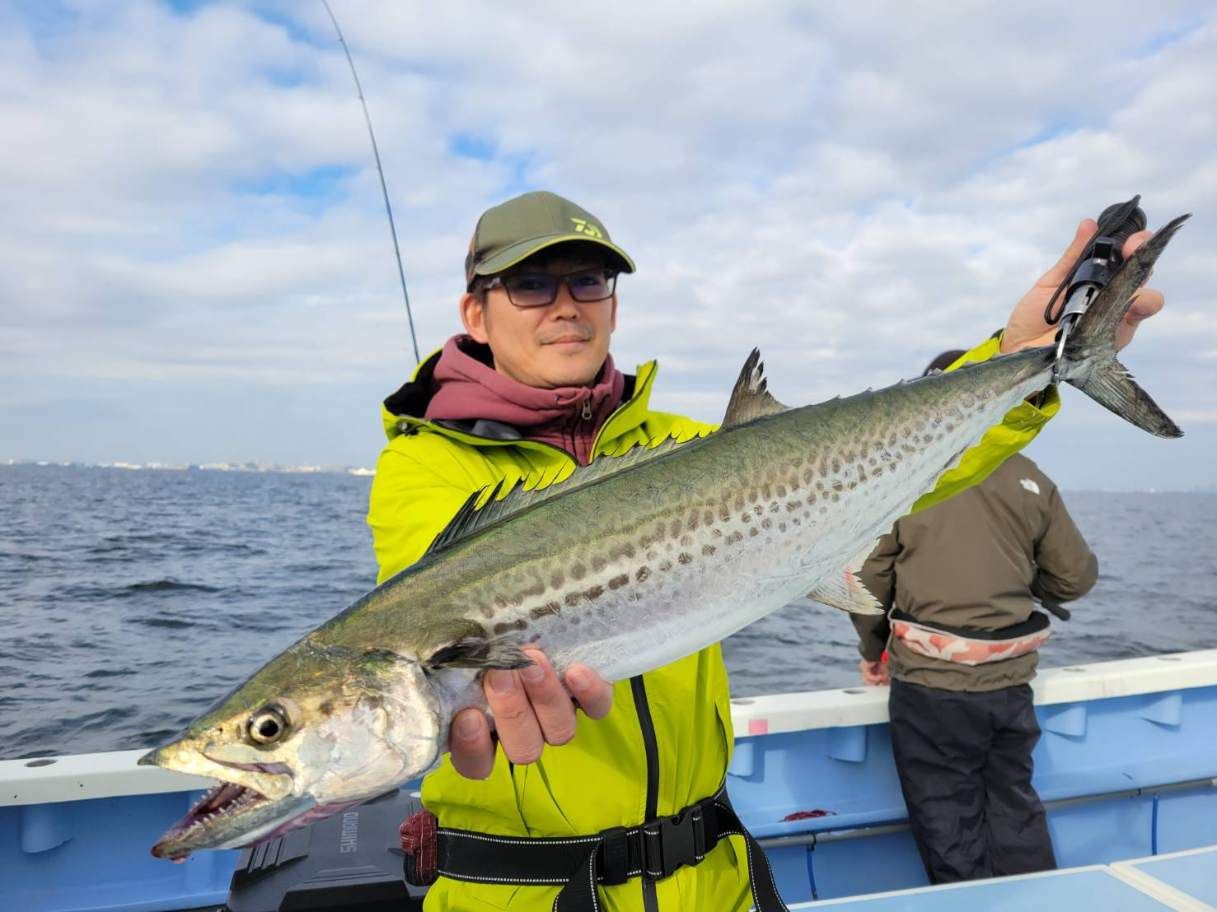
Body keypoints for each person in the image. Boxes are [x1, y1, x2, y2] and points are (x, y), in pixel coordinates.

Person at [367, 190, 1164, 911]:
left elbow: (901, 475)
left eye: (588, 281)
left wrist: (1021, 358)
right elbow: (437, 613)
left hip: (714, 877)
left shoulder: (689, 444)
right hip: (524, 893)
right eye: (531, 285)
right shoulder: (424, 468)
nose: (566, 306)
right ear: (475, 314)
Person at [851, 349, 1099, 885]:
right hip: (1009, 687)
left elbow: (868, 580)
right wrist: (1023, 578)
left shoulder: (905, 482)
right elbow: (1075, 579)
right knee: (1015, 807)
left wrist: (873, 651)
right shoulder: (1030, 478)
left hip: (929, 690)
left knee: (946, 822)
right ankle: (1037, 900)